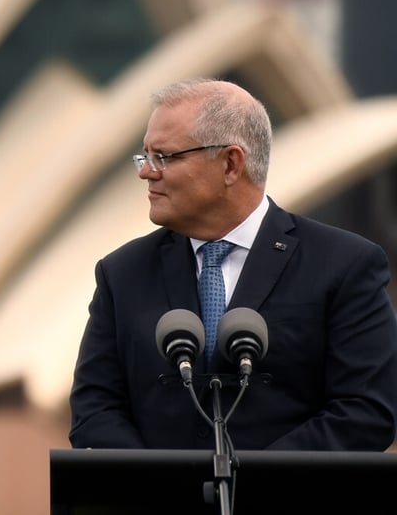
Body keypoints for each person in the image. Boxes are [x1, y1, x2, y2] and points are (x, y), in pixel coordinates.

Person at [68, 77, 397, 451]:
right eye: (145, 156)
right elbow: (94, 410)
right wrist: (158, 488)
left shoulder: (344, 265)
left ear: (230, 164)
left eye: (165, 156)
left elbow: (366, 411)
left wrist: (250, 486)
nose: (146, 172)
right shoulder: (121, 274)